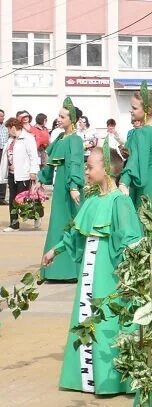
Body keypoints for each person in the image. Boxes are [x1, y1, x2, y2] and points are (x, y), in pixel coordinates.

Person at [42, 142, 140, 394]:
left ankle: (111, 379)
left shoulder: (120, 201)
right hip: (90, 271)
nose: (85, 171)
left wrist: (128, 273)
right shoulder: (92, 201)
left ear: (106, 169)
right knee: (87, 316)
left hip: (109, 273)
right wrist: (55, 250)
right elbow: (75, 233)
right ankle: (88, 376)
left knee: (107, 319)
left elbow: (130, 239)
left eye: (90, 166)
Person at [38, 98, 86, 281]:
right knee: (58, 222)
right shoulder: (60, 137)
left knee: (71, 223)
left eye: (62, 116)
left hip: (69, 188)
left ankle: (71, 269)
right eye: (58, 115)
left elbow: (75, 163)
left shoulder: (74, 139)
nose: (58, 119)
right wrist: (41, 179)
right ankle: (55, 268)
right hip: (60, 189)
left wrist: (74, 186)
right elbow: (51, 163)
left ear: (71, 119)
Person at [118, 82, 152, 209]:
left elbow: (135, 161)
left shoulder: (141, 133)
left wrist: (123, 182)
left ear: (147, 110)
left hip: (148, 187)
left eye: (135, 108)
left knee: (146, 223)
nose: (131, 111)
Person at [2, 117, 40, 231]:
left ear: (13, 127)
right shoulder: (11, 140)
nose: (8, 131)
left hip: (24, 174)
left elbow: (33, 156)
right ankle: (14, 224)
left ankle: (36, 214)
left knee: (23, 200)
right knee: (13, 199)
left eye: (9, 129)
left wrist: (33, 171)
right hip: (12, 174)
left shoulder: (28, 138)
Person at [0, 109, 6, 205]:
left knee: (3, 172)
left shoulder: (6, 127)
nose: (1, 117)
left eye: (2, 116)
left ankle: (1, 197)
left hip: (4, 151)